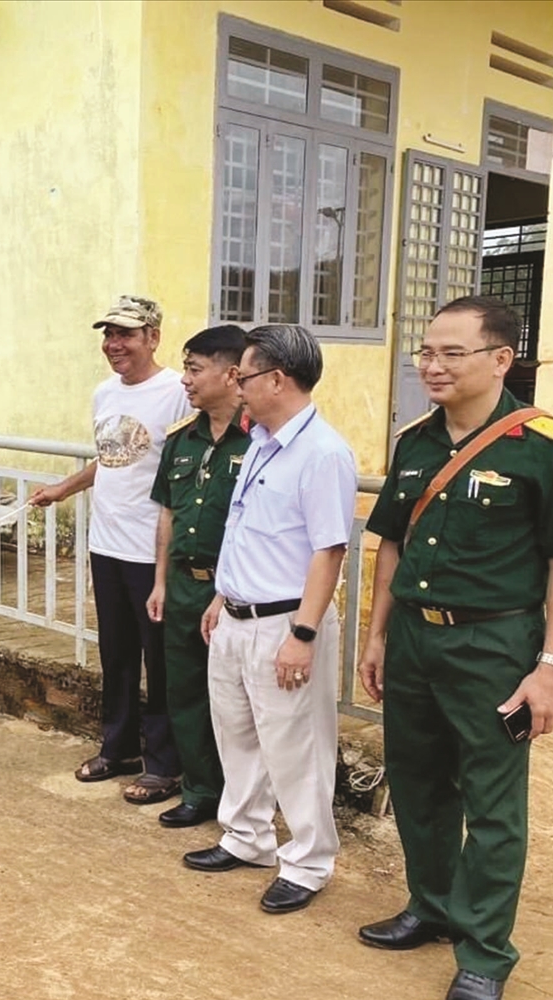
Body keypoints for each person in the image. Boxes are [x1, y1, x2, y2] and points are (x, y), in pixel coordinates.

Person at [356, 295, 553, 1000]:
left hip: (494, 646)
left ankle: (484, 954)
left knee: (494, 805)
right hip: (416, 642)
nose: (431, 365)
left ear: (500, 359)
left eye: (450, 353)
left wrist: (551, 667)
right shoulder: (417, 441)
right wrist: (376, 635)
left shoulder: (550, 446)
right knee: (420, 782)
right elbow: (392, 544)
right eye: (425, 352)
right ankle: (430, 908)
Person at [182, 324, 357, 917]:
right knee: (237, 734)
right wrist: (221, 596)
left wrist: (303, 635)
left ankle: (307, 863)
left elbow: (327, 550)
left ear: (276, 379)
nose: (238, 385)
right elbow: (245, 529)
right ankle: (247, 835)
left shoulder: (323, 453)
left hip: (285, 623)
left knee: (297, 748)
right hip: (235, 616)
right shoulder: (261, 440)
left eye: (244, 375)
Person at [29, 296, 189, 803]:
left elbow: (183, 471)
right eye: (109, 335)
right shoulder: (104, 393)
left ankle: (164, 763)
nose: (114, 345)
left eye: (126, 335)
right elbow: (113, 457)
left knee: (159, 660)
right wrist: (64, 489)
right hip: (108, 545)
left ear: (153, 337)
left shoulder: (176, 394)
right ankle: (118, 747)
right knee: (117, 655)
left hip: (153, 552)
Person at [145, 325, 251, 828]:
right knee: (183, 693)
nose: (185, 379)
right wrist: (161, 582)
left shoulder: (258, 441)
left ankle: (242, 799)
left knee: (236, 703)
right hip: (184, 584)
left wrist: (226, 590)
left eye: (194, 368)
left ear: (232, 374)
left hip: (232, 591)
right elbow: (167, 513)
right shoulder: (180, 441)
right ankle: (199, 789)